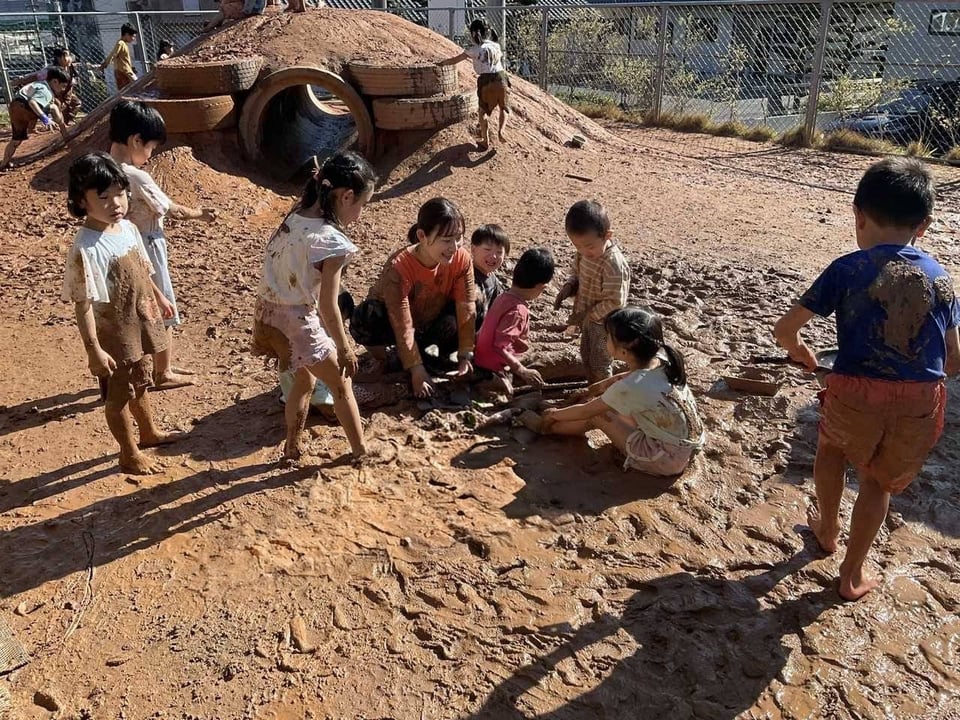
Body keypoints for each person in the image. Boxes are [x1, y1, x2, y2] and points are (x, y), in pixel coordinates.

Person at [774, 157, 960, 601]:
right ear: (924, 226)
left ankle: (827, 529)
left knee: (831, 450)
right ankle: (852, 574)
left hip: (854, 389)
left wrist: (802, 353)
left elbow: (785, 329)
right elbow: (954, 358)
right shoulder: (940, 278)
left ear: (858, 215)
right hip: (918, 398)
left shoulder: (848, 268)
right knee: (877, 482)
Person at [252, 152, 376, 463]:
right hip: (296, 320)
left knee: (304, 380)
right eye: (362, 205)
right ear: (346, 197)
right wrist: (345, 348)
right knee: (341, 384)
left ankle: (292, 446)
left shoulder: (295, 216)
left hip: (267, 314)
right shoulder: (330, 241)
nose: (360, 214)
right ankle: (361, 452)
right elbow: (328, 305)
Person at [62, 153, 179, 475]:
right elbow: (83, 304)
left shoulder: (127, 228)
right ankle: (128, 453)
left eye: (120, 193)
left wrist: (159, 298)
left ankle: (148, 433)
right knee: (118, 397)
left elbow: (142, 269)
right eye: (103, 197)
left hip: (140, 323)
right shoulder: (86, 247)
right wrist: (94, 350)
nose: (115, 203)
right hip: (114, 336)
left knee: (140, 383)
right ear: (81, 201)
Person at [108, 99, 217, 391]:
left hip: (120, 247)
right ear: (136, 140)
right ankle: (163, 371)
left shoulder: (104, 167)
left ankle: (156, 364)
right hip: (147, 243)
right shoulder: (135, 175)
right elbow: (170, 209)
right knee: (162, 304)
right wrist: (200, 214)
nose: (151, 155)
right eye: (151, 147)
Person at [536, 307, 704, 476]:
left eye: (608, 336)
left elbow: (586, 411)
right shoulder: (662, 357)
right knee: (612, 404)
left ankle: (549, 428)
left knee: (598, 415)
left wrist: (553, 414)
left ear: (624, 351)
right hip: (688, 445)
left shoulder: (632, 386)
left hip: (665, 459)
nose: (605, 339)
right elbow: (620, 379)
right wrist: (591, 390)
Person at [350, 197, 476, 398]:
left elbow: (466, 305)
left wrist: (465, 354)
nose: (454, 247)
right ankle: (386, 359)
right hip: (394, 326)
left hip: (430, 324)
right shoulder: (400, 267)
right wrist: (416, 370)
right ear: (422, 236)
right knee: (367, 316)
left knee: (478, 300)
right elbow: (401, 323)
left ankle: (428, 354)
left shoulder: (461, 259)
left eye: (458, 238)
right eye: (446, 240)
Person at [554, 199, 631, 383]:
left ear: (607, 236)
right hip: (587, 317)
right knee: (586, 354)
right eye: (577, 246)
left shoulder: (613, 264)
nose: (583, 251)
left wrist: (591, 315)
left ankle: (604, 392)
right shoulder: (583, 252)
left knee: (600, 361)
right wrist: (569, 287)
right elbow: (576, 273)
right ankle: (593, 385)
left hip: (604, 323)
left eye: (589, 246)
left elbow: (615, 301)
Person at [476, 247, 555, 395]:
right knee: (549, 364)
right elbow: (499, 346)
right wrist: (521, 370)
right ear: (541, 287)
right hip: (494, 366)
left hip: (481, 357)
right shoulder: (518, 311)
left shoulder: (503, 296)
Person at [438, 18, 510, 150]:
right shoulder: (496, 46)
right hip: (501, 78)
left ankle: (485, 141)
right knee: (503, 107)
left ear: (473, 34)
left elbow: (455, 60)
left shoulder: (474, 50)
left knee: (483, 112)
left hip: (486, 81)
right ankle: (501, 131)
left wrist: (442, 63)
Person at [0, 67, 70, 171]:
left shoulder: (39, 84)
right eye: (63, 86)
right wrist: (45, 119)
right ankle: (66, 136)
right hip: (25, 107)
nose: (63, 90)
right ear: (55, 81)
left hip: (14, 107)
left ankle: (3, 163)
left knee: (16, 141)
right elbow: (32, 102)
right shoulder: (46, 91)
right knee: (54, 107)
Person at [14, 47, 81, 125]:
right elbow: (36, 76)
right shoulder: (51, 70)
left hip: (66, 92)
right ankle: (56, 124)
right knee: (58, 105)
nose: (69, 58)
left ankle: (68, 120)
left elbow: (73, 81)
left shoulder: (71, 68)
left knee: (77, 103)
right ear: (59, 58)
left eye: (69, 55)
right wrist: (22, 79)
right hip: (54, 93)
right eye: (66, 55)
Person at [471, 223, 508, 331]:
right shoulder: (468, 276)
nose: (493, 256)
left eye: (499, 252)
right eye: (487, 249)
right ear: (473, 249)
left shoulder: (493, 279)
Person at [100, 23, 138, 91]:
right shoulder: (120, 43)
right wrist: (105, 64)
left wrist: (131, 68)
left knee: (131, 91)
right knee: (137, 87)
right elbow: (113, 54)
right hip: (124, 72)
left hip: (126, 71)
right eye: (133, 36)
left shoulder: (124, 44)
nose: (133, 39)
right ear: (126, 34)